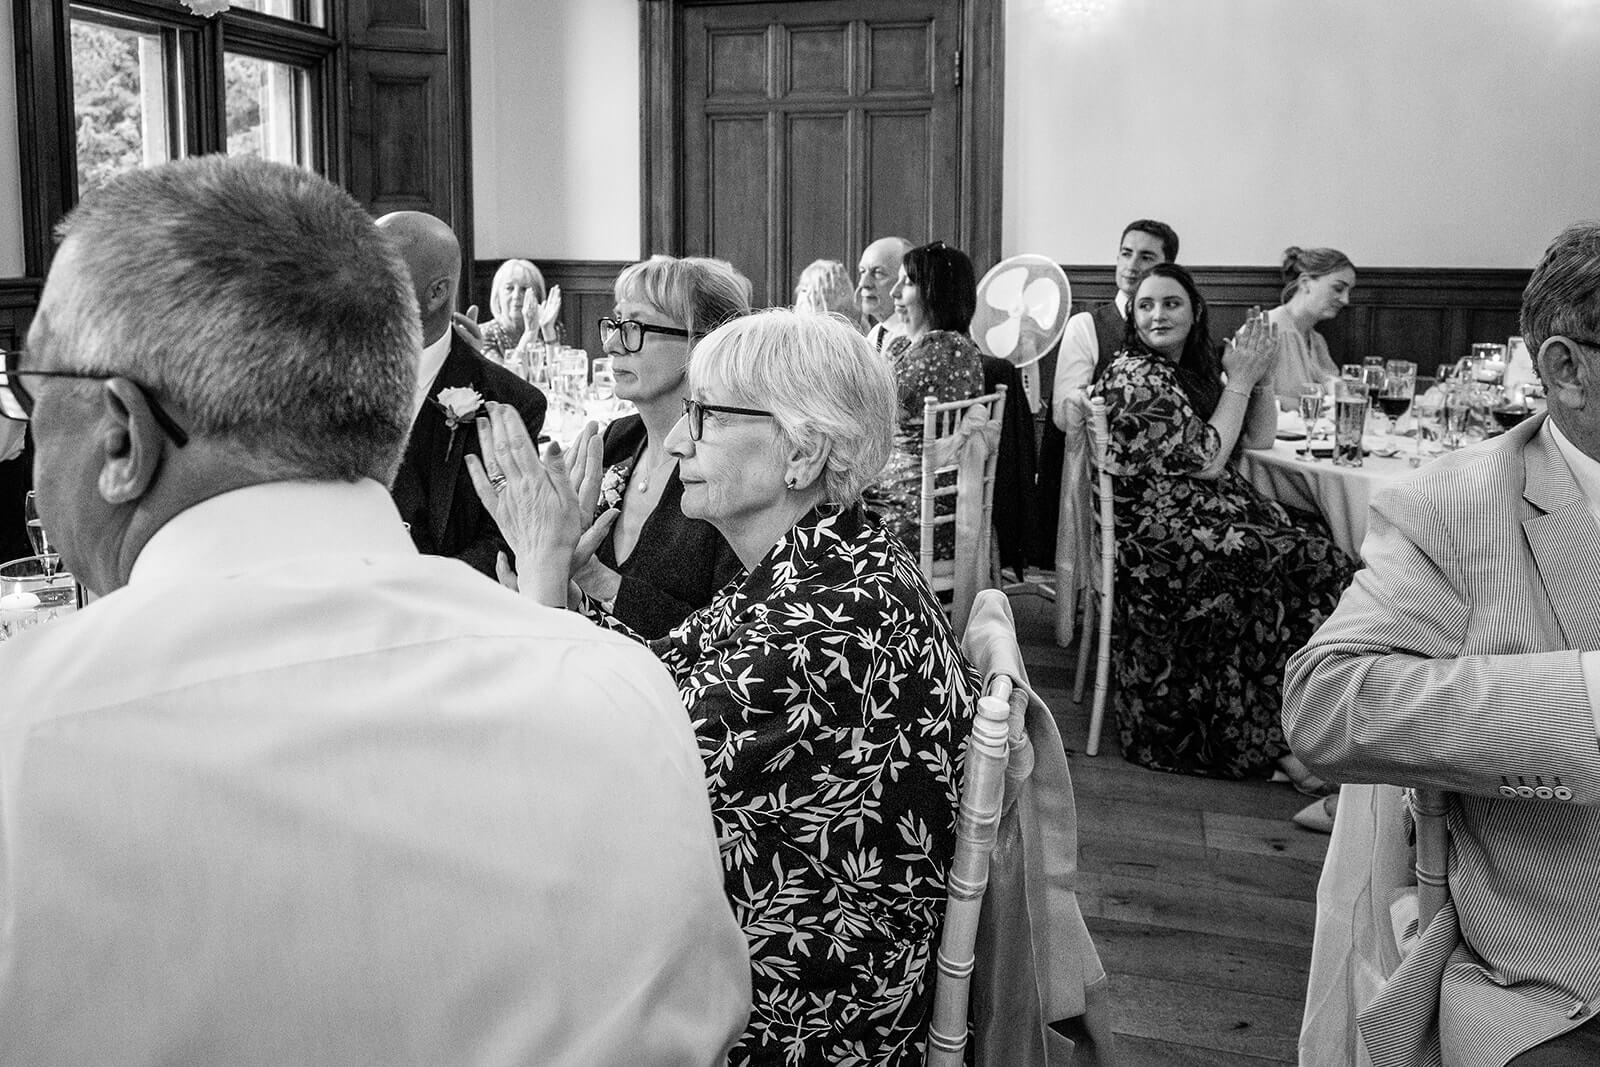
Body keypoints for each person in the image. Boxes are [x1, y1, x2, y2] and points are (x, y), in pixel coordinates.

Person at [0, 156, 751, 1065]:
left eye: (31, 392)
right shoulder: (625, 694)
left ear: (121, 434)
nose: (29, 432)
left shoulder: (26, 736)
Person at [471, 309, 977, 1066]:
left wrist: (544, 575)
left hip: (788, 1010)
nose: (676, 440)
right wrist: (563, 587)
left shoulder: (830, 622)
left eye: (703, 416)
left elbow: (592, 783)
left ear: (801, 452)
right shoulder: (824, 559)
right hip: (757, 938)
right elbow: (663, 671)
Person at [1283, 222, 1600, 1067]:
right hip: (1566, 981)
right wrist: (1586, 699)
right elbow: (1324, 703)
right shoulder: (1458, 509)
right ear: (1567, 369)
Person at [1091, 263, 1355, 780]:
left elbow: (1255, 440)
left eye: (1171, 303)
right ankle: (1284, 740)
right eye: (1145, 305)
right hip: (1162, 543)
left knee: (1318, 546)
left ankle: (1302, 731)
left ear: (1195, 312)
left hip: (1202, 520)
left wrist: (1253, 379)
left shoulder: (1187, 368)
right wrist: (1240, 379)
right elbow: (1209, 459)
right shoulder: (1133, 374)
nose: (1157, 315)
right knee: (1318, 562)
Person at [578, 255, 745, 638]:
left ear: (701, 342)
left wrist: (593, 577)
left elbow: (727, 638)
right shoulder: (616, 440)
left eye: (634, 326)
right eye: (616, 323)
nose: (611, 343)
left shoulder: (728, 466)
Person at [376, 211, 548, 579]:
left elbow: (505, 541)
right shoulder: (322, 380)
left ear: (437, 292)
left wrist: (425, 587)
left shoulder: (509, 401)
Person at [862, 240, 986, 552]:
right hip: (904, 494)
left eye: (908, 283)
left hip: (916, 508)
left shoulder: (943, 349)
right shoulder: (935, 345)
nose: (894, 294)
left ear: (936, 292)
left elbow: (869, 409)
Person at [1267, 246, 1357, 406]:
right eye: (1338, 288)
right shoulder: (1267, 330)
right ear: (1305, 283)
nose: (1345, 300)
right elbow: (1244, 400)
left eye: (1349, 292)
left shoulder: (1317, 340)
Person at [476, 257, 559, 359]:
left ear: (537, 296)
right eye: (509, 288)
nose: (516, 296)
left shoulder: (553, 328)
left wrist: (548, 331)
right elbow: (504, 375)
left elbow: (558, 372)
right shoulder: (483, 334)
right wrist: (530, 334)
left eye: (524, 289)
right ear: (498, 296)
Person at [856, 235, 912, 351]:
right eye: (862, 271)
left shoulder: (914, 337)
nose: (863, 283)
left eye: (878, 273)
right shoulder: (875, 333)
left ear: (905, 279)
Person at [793, 257, 864, 329]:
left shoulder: (856, 326)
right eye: (803, 289)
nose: (807, 297)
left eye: (815, 291)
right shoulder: (792, 328)